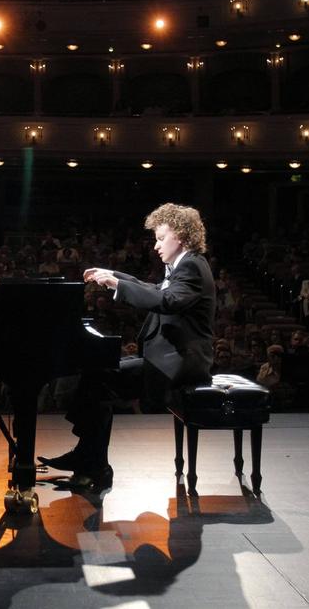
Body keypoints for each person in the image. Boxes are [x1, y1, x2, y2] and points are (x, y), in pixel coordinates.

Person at [38, 202, 216, 489]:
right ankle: (90, 460)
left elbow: (165, 300)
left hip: (180, 366)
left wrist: (117, 284)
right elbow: (157, 290)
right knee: (99, 375)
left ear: (180, 235)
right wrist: (114, 276)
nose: (156, 246)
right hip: (168, 359)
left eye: (160, 238)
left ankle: (90, 460)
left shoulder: (192, 266)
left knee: (101, 378)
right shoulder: (184, 265)